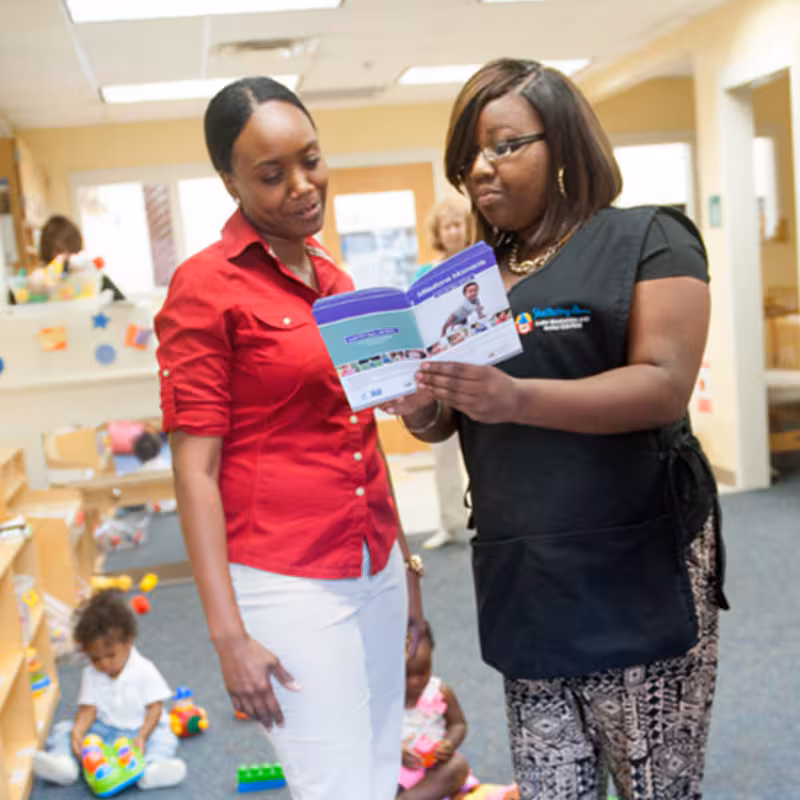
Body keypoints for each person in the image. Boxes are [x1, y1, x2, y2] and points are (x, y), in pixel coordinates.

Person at [383, 59, 727, 800]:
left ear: (564, 144)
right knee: (551, 790)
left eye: (504, 145)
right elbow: (449, 416)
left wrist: (517, 399)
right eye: (468, 156)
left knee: (655, 788)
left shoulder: (649, 238)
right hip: (525, 577)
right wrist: (419, 406)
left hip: (634, 566)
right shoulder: (467, 279)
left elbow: (663, 386)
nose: (480, 169)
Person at [154, 76, 424, 800]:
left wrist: (408, 569)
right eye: (272, 175)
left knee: (376, 767)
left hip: (373, 564)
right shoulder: (205, 288)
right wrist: (227, 635)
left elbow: (362, 430)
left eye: (311, 159)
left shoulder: (336, 279)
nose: (303, 186)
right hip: (285, 579)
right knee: (334, 783)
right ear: (229, 182)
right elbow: (195, 473)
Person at [32, 590, 186, 790]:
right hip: (105, 731)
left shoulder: (144, 669)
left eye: (111, 655)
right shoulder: (91, 673)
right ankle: (64, 764)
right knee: (63, 730)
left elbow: (155, 709)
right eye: (96, 658)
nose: (104, 663)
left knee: (164, 738)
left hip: (141, 729)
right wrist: (77, 733)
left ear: (128, 641)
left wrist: (142, 736)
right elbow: (89, 709)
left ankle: (152, 768)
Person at [398, 622, 519, 800]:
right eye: (406, 675)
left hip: (434, 770)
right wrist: (397, 752)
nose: (415, 682)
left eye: (422, 672)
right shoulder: (384, 703)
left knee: (458, 766)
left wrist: (448, 744)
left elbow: (458, 724)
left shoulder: (439, 691)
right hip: (400, 772)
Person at [415, 197, 472, 550]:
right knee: (444, 456)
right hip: (442, 375)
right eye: (446, 225)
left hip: (482, 372)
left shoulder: (482, 267)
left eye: (458, 224)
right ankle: (450, 524)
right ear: (438, 232)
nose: (453, 230)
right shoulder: (425, 275)